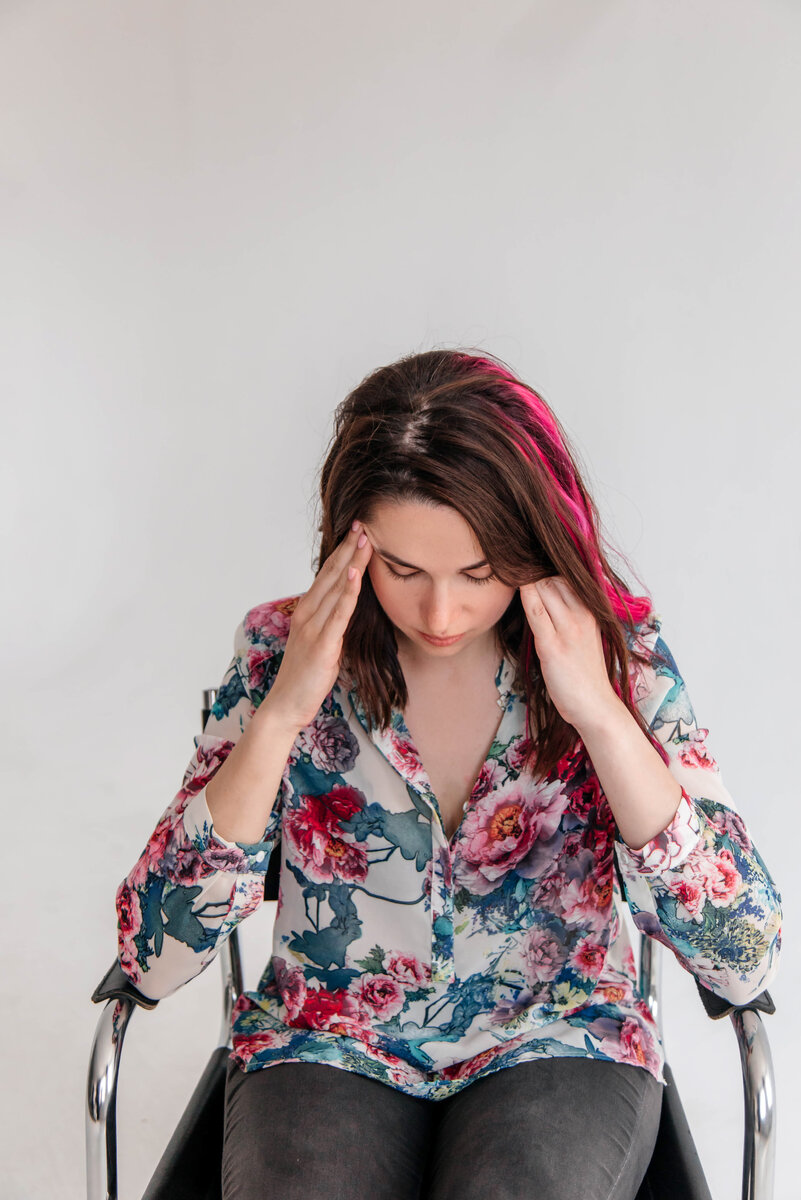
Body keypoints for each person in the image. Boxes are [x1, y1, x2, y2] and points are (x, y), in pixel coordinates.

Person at [116, 348, 782, 1200]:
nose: (440, 613)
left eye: (478, 572)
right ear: (348, 542)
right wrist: (280, 715)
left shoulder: (617, 657)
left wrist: (601, 716)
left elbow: (744, 957)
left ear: (533, 543)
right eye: (402, 570)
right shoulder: (280, 652)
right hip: (329, 1034)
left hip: (558, 1032)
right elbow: (152, 957)